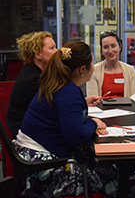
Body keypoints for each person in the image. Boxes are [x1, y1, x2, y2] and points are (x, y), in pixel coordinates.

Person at [14, 41, 118, 197]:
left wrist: (82, 105)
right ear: (83, 69)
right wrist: (93, 122)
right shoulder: (68, 91)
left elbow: (63, 112)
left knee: (96, 161)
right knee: (108, 173)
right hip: (41, 169)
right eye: (92, 62)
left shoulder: (55, 82)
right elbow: (75, 136)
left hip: (27, 158)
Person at [6, 31, 57, 138]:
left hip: (32, 129)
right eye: (52, 48)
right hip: (22, 135)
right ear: (38, 54)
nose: (57, 52)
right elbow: (54, 107)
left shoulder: (38, 72)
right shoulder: (32, 79)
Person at [86, 30, 135, 97]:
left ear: (119, 47)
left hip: (126, 108)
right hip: (101, 107)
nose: (110, 51)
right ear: (102, 50)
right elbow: (93, 101)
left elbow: (134, 99)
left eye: (113, 46)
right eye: (105, 47)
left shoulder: (130, 70)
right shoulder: (93, 71)